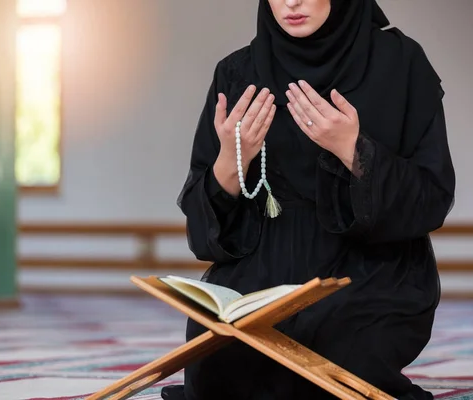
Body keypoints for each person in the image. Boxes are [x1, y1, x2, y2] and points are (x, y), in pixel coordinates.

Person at [162, 0, 456, 399]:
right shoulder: (237, 73)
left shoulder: (400, 64)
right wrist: (234, 160)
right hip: (264, 268)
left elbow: (432, 195)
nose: (292, 3)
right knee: (218, 361)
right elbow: (203, 230)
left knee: (334, 358)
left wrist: (353, 149)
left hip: (368, 271)